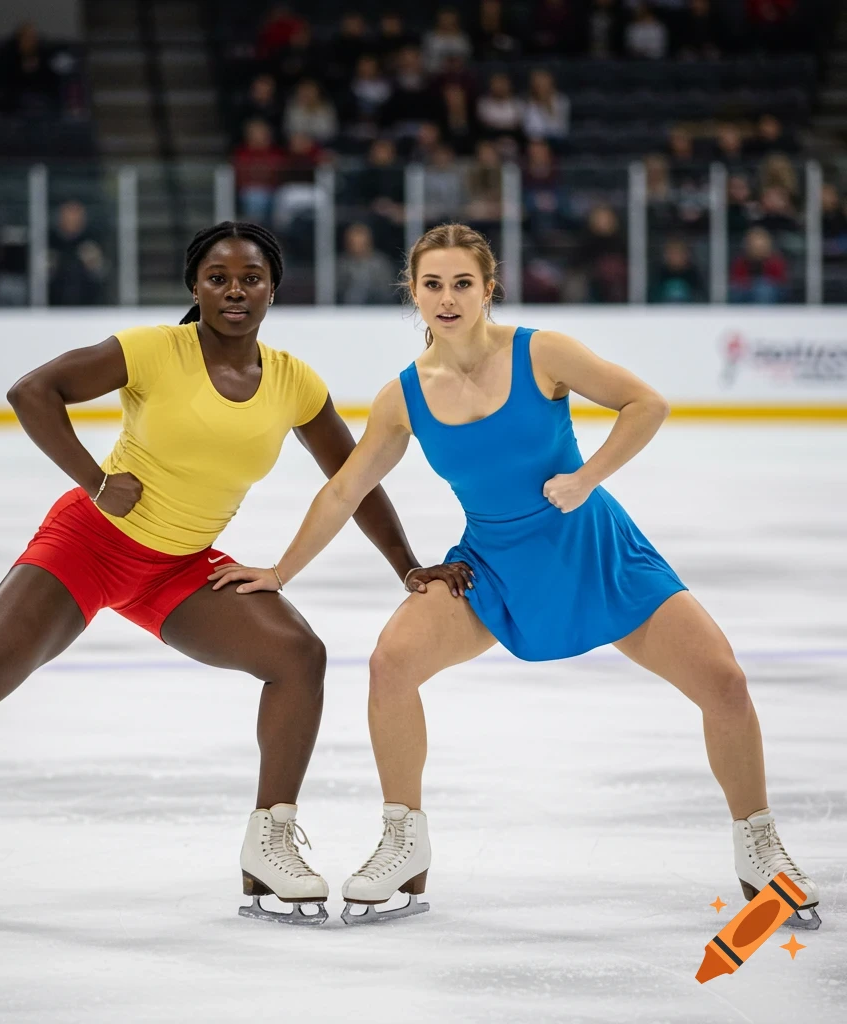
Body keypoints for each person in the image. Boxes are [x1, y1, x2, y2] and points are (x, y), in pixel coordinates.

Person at [0, 221, 468, 926]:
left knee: (298, 656)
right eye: (218, 278)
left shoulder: (294, 381)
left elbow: (352, 478)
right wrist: (93, 481)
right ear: (195, 287)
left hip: (177, 567)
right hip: (89, 544)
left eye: (250, 278)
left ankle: (269, 842)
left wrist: (406, 568)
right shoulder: (153, 350)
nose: (235, 291)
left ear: (272, 288)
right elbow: (33, 392)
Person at [210, 222, 821, 930]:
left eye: (461, 283)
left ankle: (759, 847)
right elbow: (344, 490)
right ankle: (404, 840)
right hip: (491, 569)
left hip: (593, 550)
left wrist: (588, 477)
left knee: (725, 683)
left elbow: (646, 404)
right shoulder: (403, 396)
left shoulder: (542, 354)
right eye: (432, 284)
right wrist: (281, 570)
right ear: (413, 293)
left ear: (487, 289)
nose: (447, 297)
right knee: (390, 663)